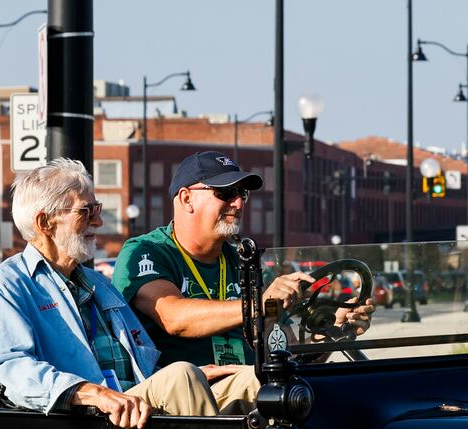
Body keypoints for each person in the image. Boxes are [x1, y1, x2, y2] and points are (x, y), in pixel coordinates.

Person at [0, 158, 234, 428]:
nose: (98, 222)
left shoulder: (99, 284)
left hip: (133, 406)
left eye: (97, 209)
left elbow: (141, 362)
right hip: (86, 421)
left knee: (247, 381)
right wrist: (89, 392)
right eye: (86, 211)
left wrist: (183, 377)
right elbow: (5, 369)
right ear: (45, 222)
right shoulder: (7, 285)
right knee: (184, 376)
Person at [114, 151, 329, 408]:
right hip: (180, 397)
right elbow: (173, 317)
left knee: (309, 385)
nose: (238, 203)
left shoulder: (243, 260)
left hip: (241, 384)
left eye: (243, 194)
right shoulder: (147, 251)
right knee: (262, 383)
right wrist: (257, 305)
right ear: (186, 199)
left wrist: (329, 333)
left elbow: (286, 350)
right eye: (225, 193)